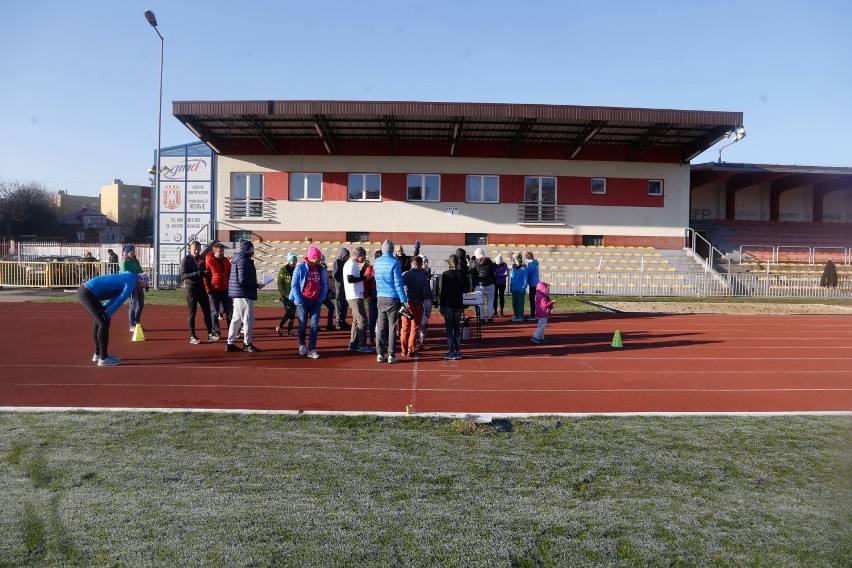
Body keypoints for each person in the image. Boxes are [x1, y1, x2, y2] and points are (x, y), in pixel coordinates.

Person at [77, 272, 149, 366]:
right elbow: (121, 299)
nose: (140, 289)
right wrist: (109, 314)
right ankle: (104, 358)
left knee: (99, 322)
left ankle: (98, 354)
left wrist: (105, 307)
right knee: (104, 322)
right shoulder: (132, 281)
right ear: (140, 282)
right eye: (142, 286)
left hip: (87, 292)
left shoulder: (131, 278)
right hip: (88, 293)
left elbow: (116, 296)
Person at [225, 240, 265, 352]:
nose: (253, 250)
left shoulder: (238, 260)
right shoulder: (243, 261)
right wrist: (257, 285)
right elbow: (242, 280)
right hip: (243, 293)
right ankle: (247, 343)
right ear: (247, 249)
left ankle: (230, 342)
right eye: (252, 248)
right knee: (247, 319)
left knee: (236, 319)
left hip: (239, 293)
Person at [374, 239, 409, 364]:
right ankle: (391, 354)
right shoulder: (394, 263)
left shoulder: (376, 262)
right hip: (392, 298)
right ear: (392, 249)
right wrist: (404, 300)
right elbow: (398, 284)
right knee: (392, 327)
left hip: (380, 296)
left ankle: (379, 353)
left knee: (381, 326)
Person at [290, 246, 328, 359]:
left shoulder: (320, 269)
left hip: (316, 301)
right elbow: (294, 285)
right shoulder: (300, 268)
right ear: (313, 258)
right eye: (318, 258)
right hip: (303, 301)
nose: (320, 260)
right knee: (302, 325)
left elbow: (324, 284)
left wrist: (321, 298)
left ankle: (312, 349)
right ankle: (302, 343)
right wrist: (299, 300)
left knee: (314, 326)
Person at [180, 240, 214, 344]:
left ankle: (210, 334)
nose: (197, 251)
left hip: (202, 287)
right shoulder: (186, 259)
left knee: (207, 311)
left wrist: (206, 274)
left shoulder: (202, 258)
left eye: (198, 249)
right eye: (195, 249)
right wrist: (196, 273)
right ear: (190, 249)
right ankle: (193, 336)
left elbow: (205, 271)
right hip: (191, 288)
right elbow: (183, 276)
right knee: (192, 313)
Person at [343, 247, 373, 353]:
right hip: (354, 295)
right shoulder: (351, 264)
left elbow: (356, 276)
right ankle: (361, 344)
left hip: (355, 295)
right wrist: (365, 278)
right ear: (359, 255)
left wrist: (364, 269)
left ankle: (353, 343)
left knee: (356, 320)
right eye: (364, 257)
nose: (364, 259)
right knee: (362, 320)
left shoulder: (353, 264)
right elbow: (350, 279)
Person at [401, 255, 431, 357]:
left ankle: (403, 350)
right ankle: (411, 349)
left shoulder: (405, 274)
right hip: (417, 303)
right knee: (414, 328)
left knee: (405, 328)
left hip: (406, 303)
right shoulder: (422, 276)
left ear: (412, 264)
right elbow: (425, 293)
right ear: (420, 264)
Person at [439, 253, 468, 360]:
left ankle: (451, 352)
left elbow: (443, 292)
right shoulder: (462, 274)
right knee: (457, 328)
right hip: (459, 304)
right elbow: (466, 289)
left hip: (448, 305)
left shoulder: (446, 274)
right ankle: (458, 352)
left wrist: (441, 306)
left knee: (449, 329)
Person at [205, 242, 232, 341]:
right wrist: (208, 289)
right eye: (219, 252)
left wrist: (230, 286)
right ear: (214, 251)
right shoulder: (209, 261)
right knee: (215, 312)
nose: (221, 253)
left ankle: (232, 331)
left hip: (225, 289)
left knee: (230, 311)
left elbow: (229, 273)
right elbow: (206, 277)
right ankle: (216, 332)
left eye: (222, 251)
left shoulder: (226, 261)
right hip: (213, 290)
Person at [120, 244, 145, 333]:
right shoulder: (124, 261)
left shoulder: (136, 261)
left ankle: (137, 322)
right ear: (127, 252)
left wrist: (144, 278)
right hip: (131, 286)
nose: (134, 252)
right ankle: (131, 325)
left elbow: (140, 271)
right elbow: (125, 274)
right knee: (133, 305)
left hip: (139, 285)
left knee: (141, 304)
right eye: (132, 250)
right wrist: (134, 277)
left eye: (134, 250)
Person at [275, 253, 298, 336]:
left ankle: (290, 330)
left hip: (295, 295)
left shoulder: (296, 270)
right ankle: (279, 326)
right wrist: (283, 294)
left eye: (295, 260)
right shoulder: (283, 270)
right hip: (286, 296)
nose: (294, 262)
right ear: (289, 261)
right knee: (289, 312)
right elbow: (280, 283)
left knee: (293, 313)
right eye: (292, 260)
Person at [472, 247, 497, 323]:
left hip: (479, 285)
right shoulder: (489, 261)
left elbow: (473, 275)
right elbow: (494, 273)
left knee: (480, 302)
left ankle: (482, 318)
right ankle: (490, 317)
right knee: (490, 301)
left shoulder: (474, 262)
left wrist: (474, 285)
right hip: (490, 284)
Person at [365, 249, 380, 347]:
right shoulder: (370, 268)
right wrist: (366, 295)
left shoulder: (383, 268)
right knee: (373, 318)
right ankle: (371, 339)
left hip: (382, 295)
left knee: (383, 318)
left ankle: (383, 338)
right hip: (373, 294)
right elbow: (365, 282)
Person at [332, 247, 350, 329]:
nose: (347, 257)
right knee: (339, 304)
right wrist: (342, 280)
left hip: (345, 286)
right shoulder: (337, 262)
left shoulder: (345, 263)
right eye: (346, 256)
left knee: (345, 304)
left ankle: (343, 320)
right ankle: (338, 322)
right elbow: (335, 275)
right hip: (339, 286)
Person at [509, 252, 528, 322]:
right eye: (515, 261)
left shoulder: (524, 269)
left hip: (520, 289)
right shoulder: (514, 268)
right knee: (514, 303)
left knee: (520, 303)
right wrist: (511, 286)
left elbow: (525, 280)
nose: (516, 262)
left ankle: (520, 316)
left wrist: (523, 288)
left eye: (517, 261)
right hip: (514, 288)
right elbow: (512, 278)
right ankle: (516, 315)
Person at [320, 254, 336, 331]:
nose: (322, 261)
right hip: (318, 294)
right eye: (321, 260)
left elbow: (326, 280)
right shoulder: (317, 269)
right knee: (316, 310)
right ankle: (315, 326)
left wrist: (329, 289)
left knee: (332, 307)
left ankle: (329, 325)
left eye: (323, 260)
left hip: (325, 293)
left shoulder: (324, 269)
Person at [525, 251, 540, 321]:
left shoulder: (531, 265)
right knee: (533, 299)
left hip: (533, 284)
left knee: (532, 300)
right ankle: (533, 313)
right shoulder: (534, 263)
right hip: (535, 283)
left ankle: (533, 315)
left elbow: (528, 273)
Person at [493, 253, 509, 317]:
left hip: (502, 283)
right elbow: (493, 273)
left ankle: (501, 310)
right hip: (495, 283)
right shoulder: (493, 265)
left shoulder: (505, 264)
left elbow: (506, 274)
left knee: (501, 297)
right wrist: (499, 274)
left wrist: (498, 274)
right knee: (495, 297)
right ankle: (495, 311)